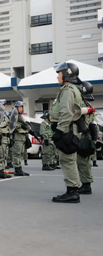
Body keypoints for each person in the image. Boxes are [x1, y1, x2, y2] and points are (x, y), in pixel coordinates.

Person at [51, 62, 84, 203]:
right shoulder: (70, 89)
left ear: (67, 74)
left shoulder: (68, 90)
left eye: (59, 73)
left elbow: (67, 112)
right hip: (69, 129)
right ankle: (73, 189)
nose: (57, 76)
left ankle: (72, 192)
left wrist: (59, 130)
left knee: (67, 160)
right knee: (69, 160)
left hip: (67, 130)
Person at [76, 81, 97, 195]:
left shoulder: (83, 106)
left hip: (82, 137)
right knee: (85, 162)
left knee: (82, 162)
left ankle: (86, 185)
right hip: (87, 137)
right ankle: (86, 183)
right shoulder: (89, 106)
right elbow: (93, 124)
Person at [0, 101, 11, 179]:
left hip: (6, 137)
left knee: (5, 155)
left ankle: (2, 170)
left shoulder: (5, 116)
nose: (5, 107)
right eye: (3, 105)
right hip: (0, 137)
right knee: (0, 155)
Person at [11, 101, 30, 176]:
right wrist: (20, 126)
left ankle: (20, 168)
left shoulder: (20, 116)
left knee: (21, 153)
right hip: (18, 136)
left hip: (23, 136)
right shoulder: (13, 116)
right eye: (19, 107)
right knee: (17, 153)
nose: (21, 109)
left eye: (21, 107)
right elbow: (12, 125)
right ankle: (17, 168)